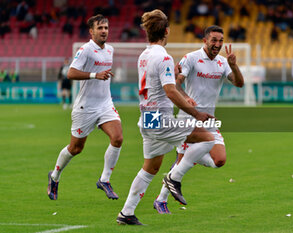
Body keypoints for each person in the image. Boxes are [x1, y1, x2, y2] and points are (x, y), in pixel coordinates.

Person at [116, 9, 215, 225]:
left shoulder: (144, 55)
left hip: (147, 118)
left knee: (150, 167)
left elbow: (163, 87)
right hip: (161, 119)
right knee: (208, 139)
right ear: (167, 31)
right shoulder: (164, 57)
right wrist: (195, 113)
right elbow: (169, 90)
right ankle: (174, 178)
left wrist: (179, 85)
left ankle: (126, 213)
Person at [153, 25, 244, 214]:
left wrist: (234, 65)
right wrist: (186, 97)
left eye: (220, 40)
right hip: (188, 118)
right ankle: (161, 200)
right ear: (205, 40)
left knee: (219, 160)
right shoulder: (191, 58)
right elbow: (175, 84)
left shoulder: (222, 62)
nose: (217, 44)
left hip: (208, 120)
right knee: (180, 163)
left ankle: (184, 162)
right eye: (214, 40)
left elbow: (239, 83)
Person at [47, 14, 123, 201]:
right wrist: (95, 75)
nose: (104, 31)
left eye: (106, 27)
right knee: (76, 148)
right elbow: (71, 73)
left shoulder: (110, 50)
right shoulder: (85, 50)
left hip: (105, 104)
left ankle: (104, 180)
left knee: (118, 138)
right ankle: (55, 176)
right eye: (100, 28)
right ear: (91, 31)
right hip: (85, 107)